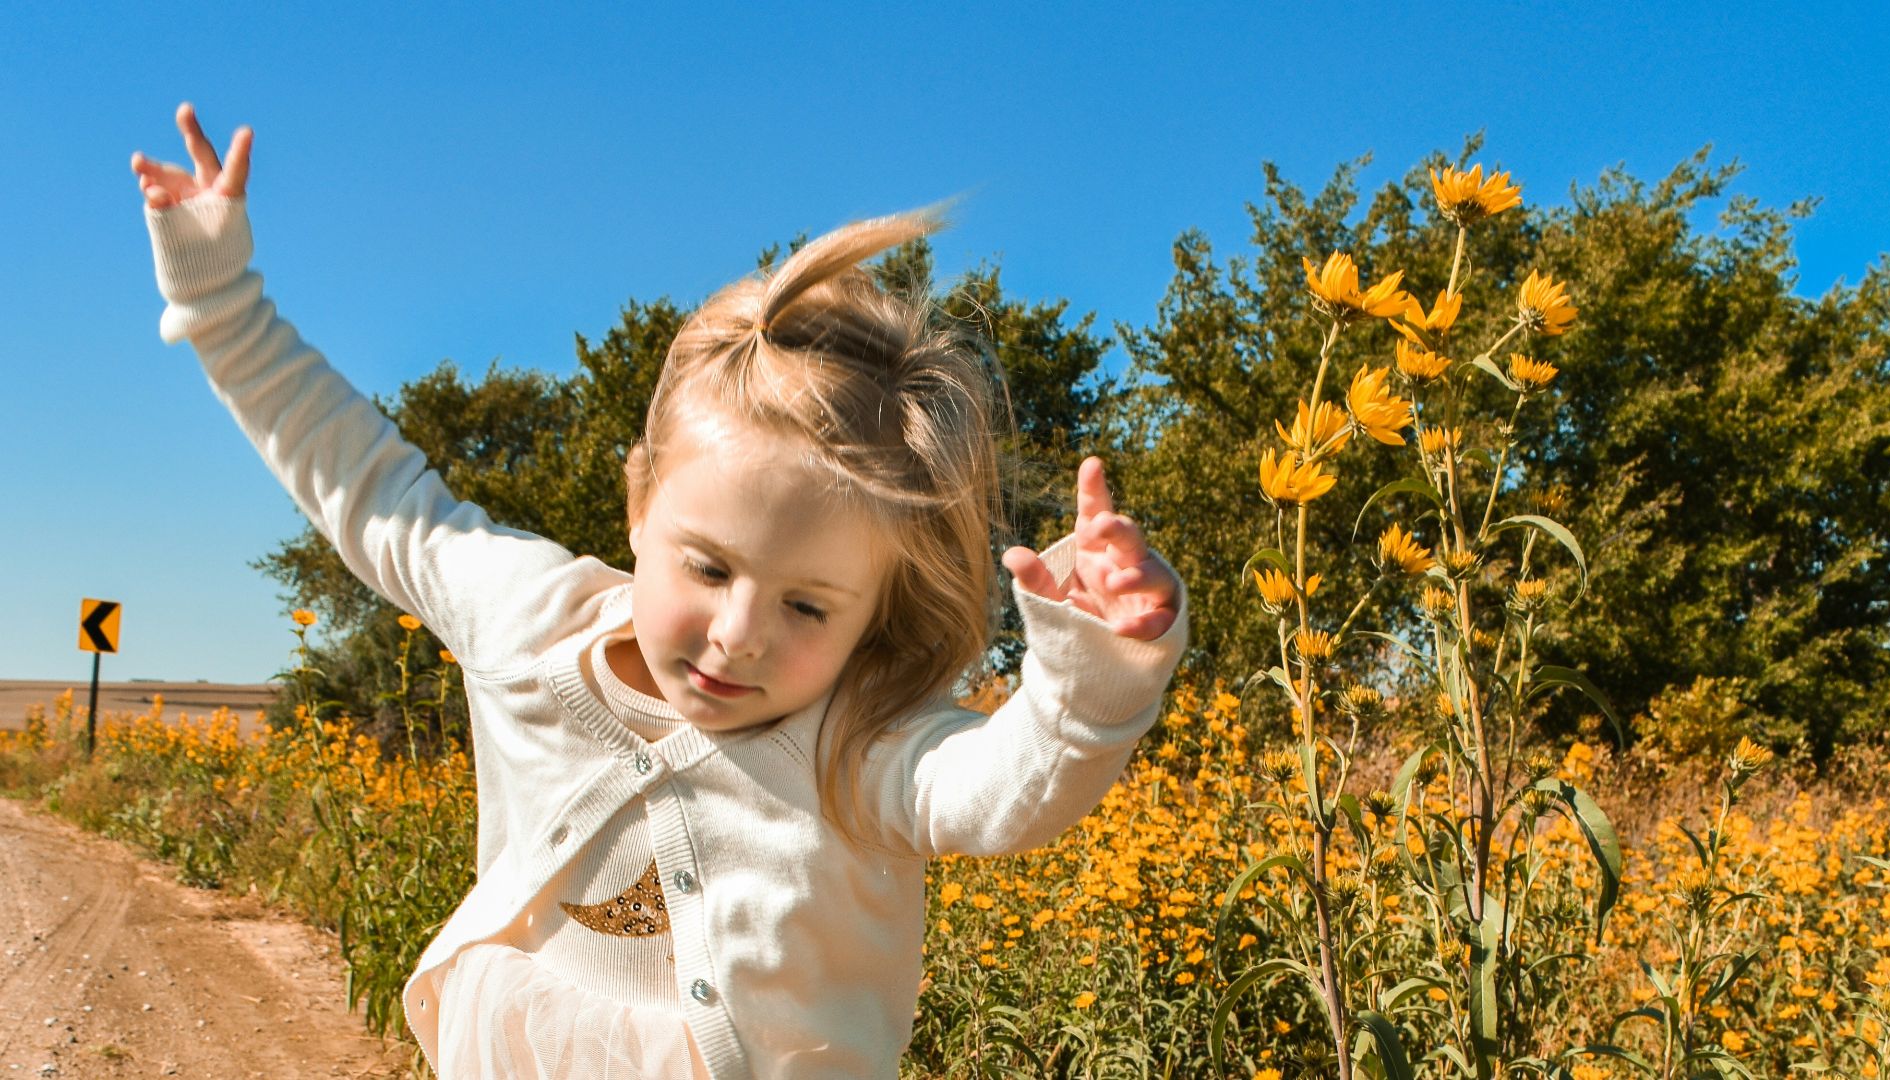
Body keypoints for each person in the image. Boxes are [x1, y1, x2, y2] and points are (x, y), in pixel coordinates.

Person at [132, 102, 1187, 1080]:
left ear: (873, 612)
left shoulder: (857, 742)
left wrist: (1086, 679)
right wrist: (222, 303)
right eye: (710, 568)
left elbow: (999, 786)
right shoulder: (526, 619)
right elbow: (370, 489)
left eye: (808, 606)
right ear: (639, 504)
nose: (738, 635)